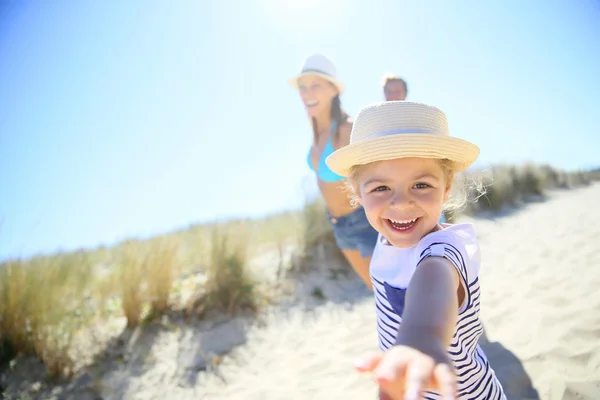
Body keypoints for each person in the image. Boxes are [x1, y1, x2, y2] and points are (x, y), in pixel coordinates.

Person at [326, 101, 505, 400]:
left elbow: (433, 284)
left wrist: (421, 339)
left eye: (421, 184)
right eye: (381, 188)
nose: (401, 203)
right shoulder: (384, 243)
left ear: (446, 187)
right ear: (357, 193)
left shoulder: (443, 251)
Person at [289, 54, 379, 289]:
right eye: (303, 87)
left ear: (333, 90)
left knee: (395, 296)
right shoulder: (317, 131)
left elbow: (377, 177)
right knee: (380, 296)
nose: (307, 93)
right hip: (339, 226)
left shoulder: (347, 130)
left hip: (364, 221)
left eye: (315, 85)